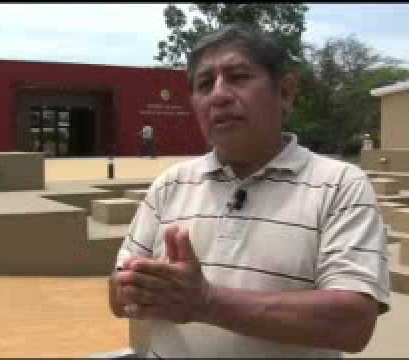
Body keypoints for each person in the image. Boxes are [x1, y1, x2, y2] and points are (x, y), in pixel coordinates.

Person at [109, 24, 390, 358]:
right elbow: (116, 294)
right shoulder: (170, 184)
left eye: (238, 77)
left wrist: (205, 302)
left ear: (284, 92)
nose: (219, 94)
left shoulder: (340, 185)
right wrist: (134, 286)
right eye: (204, 84)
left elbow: (352, 323)